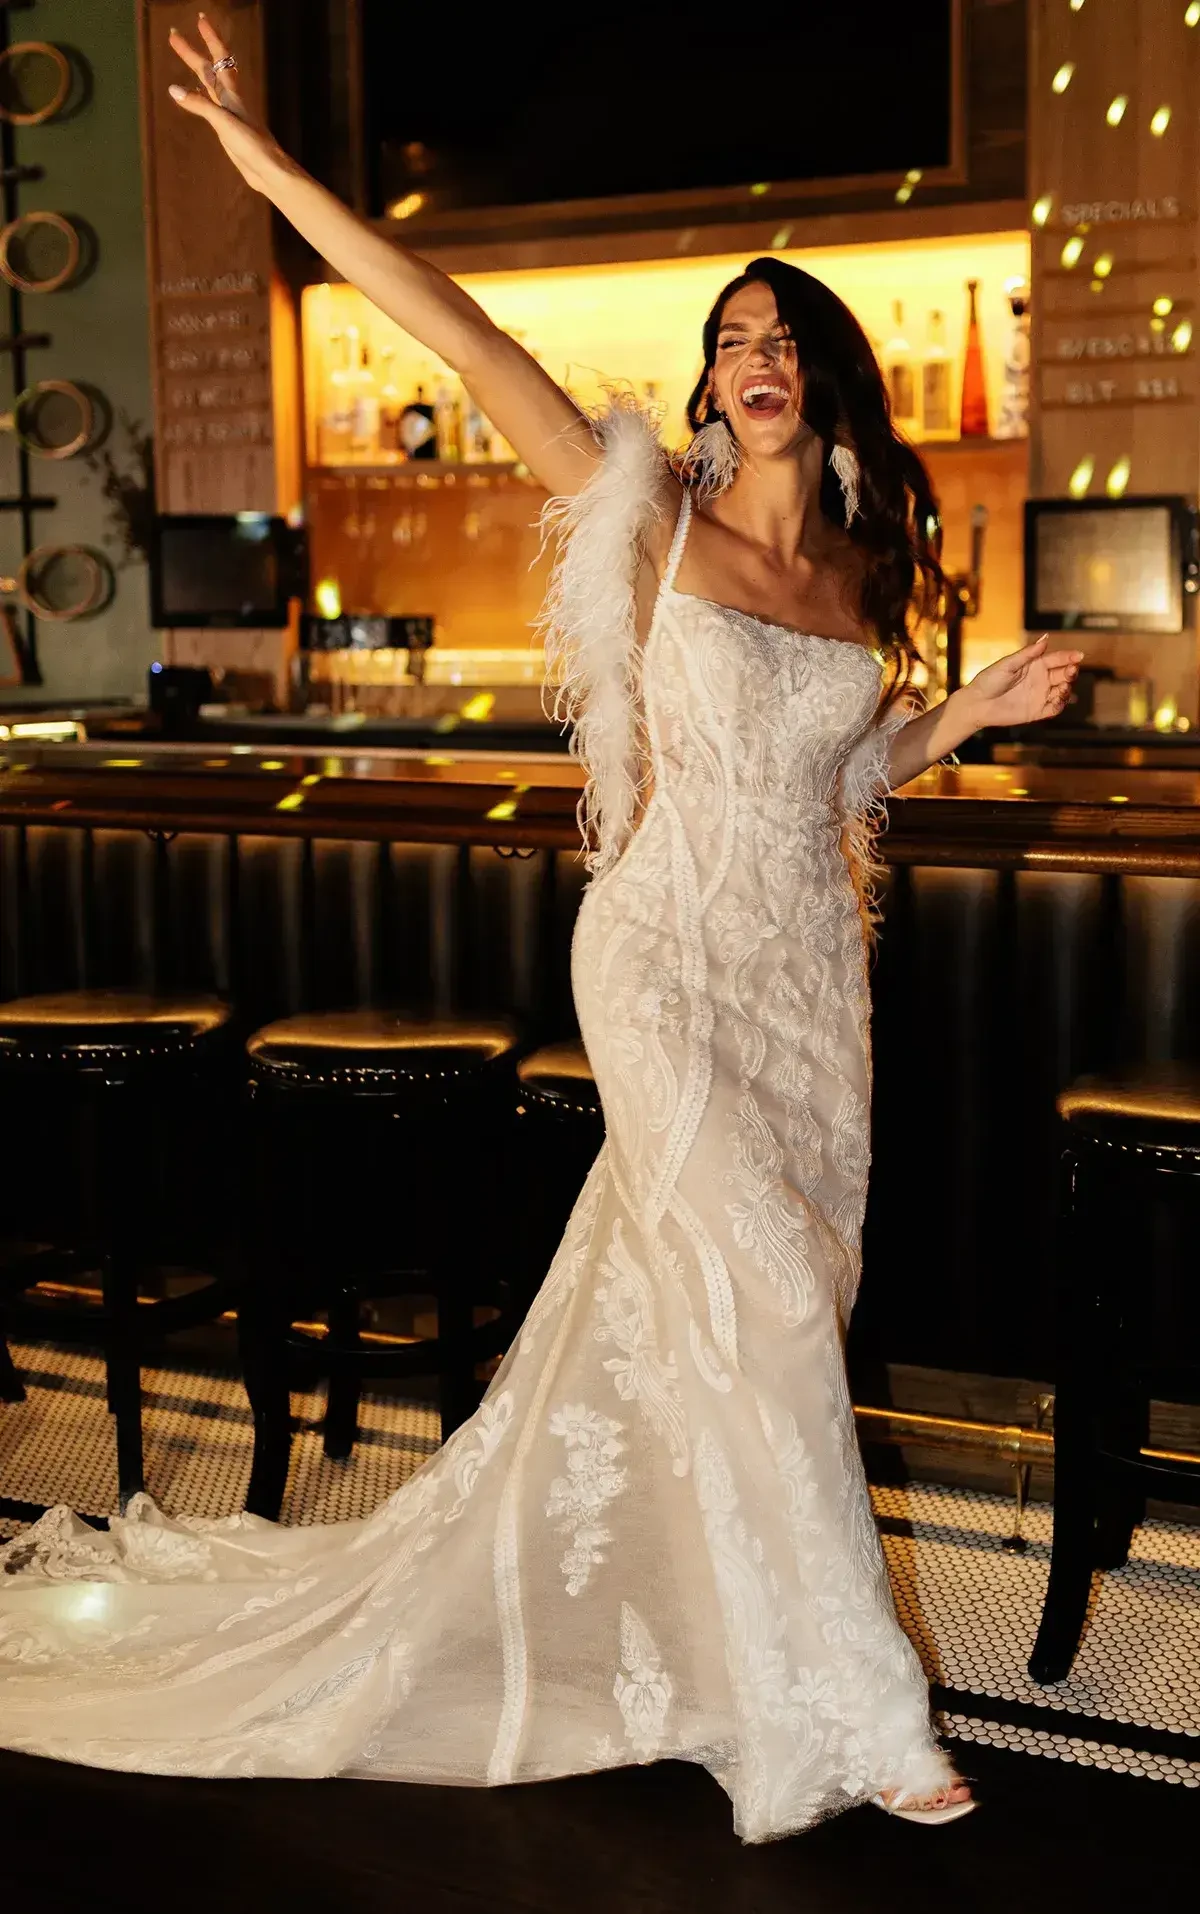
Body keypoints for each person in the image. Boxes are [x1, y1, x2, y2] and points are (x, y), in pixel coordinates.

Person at [0, 15, 1081, 1841]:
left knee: (764, 1313)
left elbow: (842, 776)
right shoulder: (646, 516)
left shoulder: (854, 574)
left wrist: (963, 716)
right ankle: (862, 1706)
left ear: (829, 376)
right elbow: (458, 331)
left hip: (810, 991)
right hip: (660, 960)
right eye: (730, 339)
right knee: (753, 1287)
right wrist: (269, 176)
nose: (752, 359)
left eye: (781, 337)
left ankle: (747, 1645)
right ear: (711, 378)